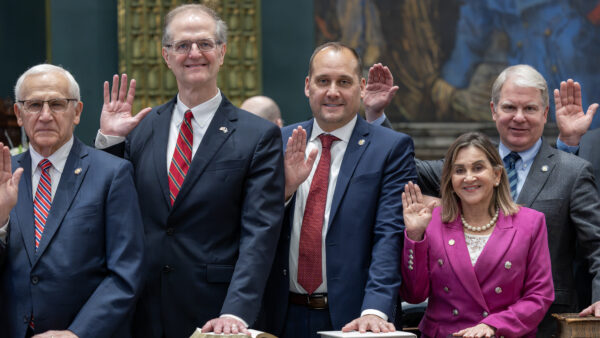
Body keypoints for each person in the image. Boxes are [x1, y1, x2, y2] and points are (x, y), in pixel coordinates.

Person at [95, 4, 285, 337]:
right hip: (144, 312)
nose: (194, 53)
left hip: (218, 317)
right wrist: (111, 139)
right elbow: (114, 210)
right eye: (182, 45)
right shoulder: (141, 129)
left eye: (205, 44)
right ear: (166, 56)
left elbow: (260, 233)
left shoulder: (258, 135)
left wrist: (236, 312)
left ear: (222, 53)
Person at [369, 64, 600, 336]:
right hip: (455, 325)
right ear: (493, 110)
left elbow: (596, 244)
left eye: (530, 109)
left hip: (538, 323)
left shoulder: (572, 170)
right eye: (510, 107)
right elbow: (404, 165)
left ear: (545, 113)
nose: (519, 117)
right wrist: (376, 117)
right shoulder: (466, 166)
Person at [257, 42, 417, 337]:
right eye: (323, 81)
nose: (332, 91)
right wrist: (285, 191)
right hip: (279, 315)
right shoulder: (276, 142)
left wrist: (374, 310)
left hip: (356, 319)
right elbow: (252, 225)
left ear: (361, 87)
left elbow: (389, 235)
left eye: (344, 82)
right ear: (308, 86)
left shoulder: (390, 148)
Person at [0, 64, 145, 338]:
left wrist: (77, 333)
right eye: (34, 105)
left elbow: (126, 273)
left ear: (76, 112)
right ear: (19, 114)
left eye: (56, 104)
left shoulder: (112, 174)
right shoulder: (4, 176)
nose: (45, 115)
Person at [401, 132, 554, 337]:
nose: (469, 177)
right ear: (451, 179)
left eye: (478, 168)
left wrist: (492, 325)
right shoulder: (432, 220)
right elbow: (414, 295)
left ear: (497, 175)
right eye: (459, 170)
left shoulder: (531, 223)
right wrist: (415, 235)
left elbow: (539, 296)